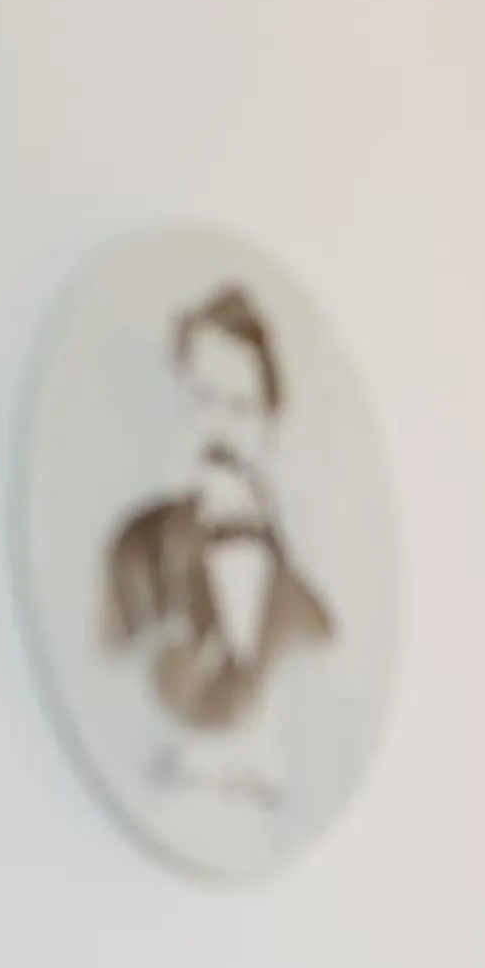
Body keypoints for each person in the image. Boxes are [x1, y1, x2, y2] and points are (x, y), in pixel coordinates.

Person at [102, 283, 334, 738]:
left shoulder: (311, 621)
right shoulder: (133, 557)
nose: (220, 430)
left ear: (272, 428)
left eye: (242, 409)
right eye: (203, 399)